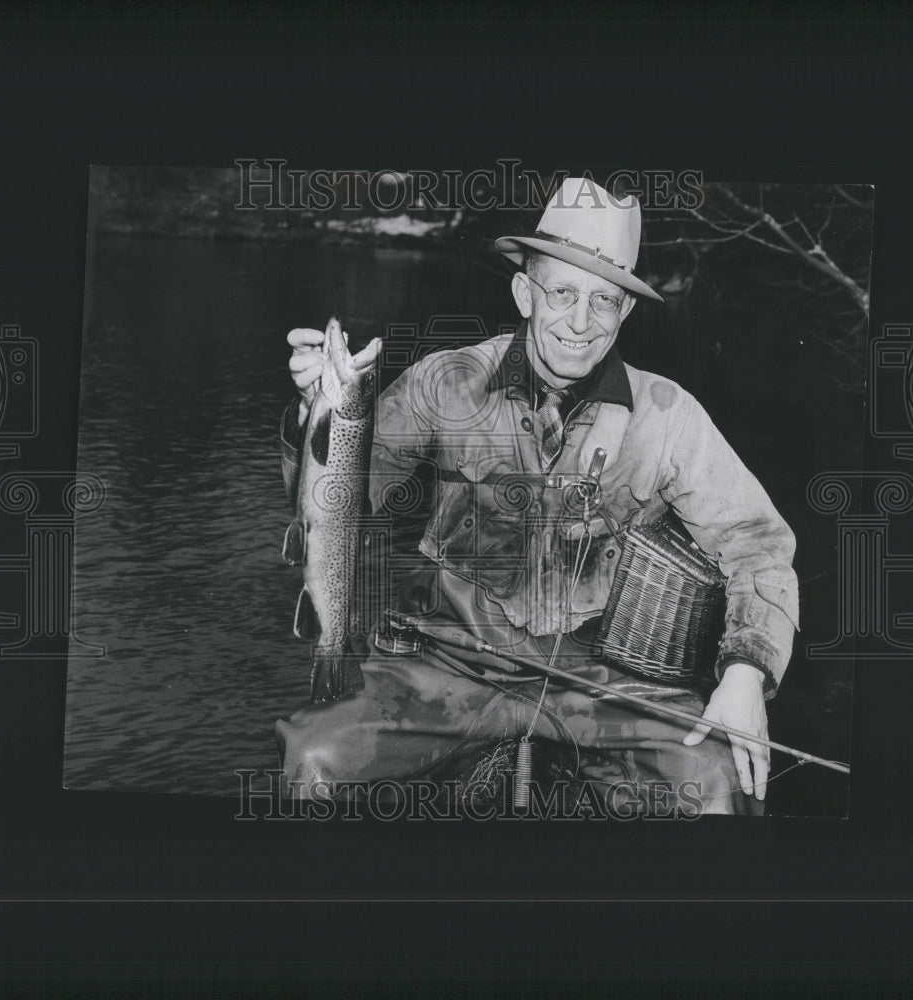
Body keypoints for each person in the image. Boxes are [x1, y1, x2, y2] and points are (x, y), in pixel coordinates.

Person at [276, 177, 799, 816]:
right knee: (315, 760)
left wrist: (747, 670)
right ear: (525, 292)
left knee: (719, 785)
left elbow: (758, 546)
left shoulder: (670, 415)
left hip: (608, 686)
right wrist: (318, 420)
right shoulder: (445, 383)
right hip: (449, 667)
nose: (581, 323)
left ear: (626, 311)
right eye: (563, 292)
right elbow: (341, 502)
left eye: (604, 301)